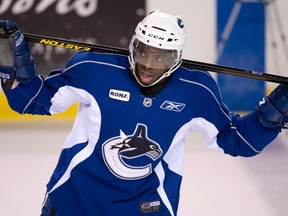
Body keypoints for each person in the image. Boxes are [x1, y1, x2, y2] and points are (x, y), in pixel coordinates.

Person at [0, 9, 287, 216]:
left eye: (161, 56)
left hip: (146, 209)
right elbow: (33, 101)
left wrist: (276, 108)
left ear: (176, 58)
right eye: (144, 51)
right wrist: (14, 68)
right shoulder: (94, 70)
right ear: (133, 46)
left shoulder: (196, 92)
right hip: (72, 203)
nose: (149, 64)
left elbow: (238, 140)